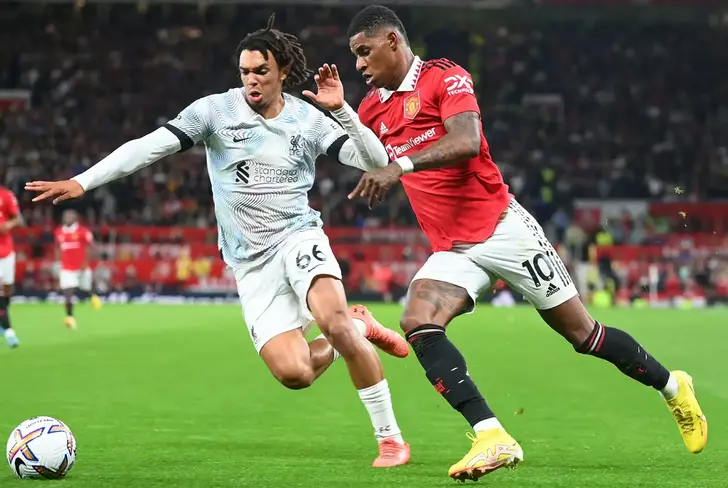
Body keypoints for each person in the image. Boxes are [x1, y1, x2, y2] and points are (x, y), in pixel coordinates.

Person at [26, 15, 411, 467]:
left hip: (298, 236)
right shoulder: (214, 112)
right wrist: (83, 181)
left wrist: (342, 110)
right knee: (296, 374)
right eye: (245, 71)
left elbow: (375, 162)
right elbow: (148, 146)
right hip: (250, 263)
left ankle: (390, 439)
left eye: (261, 71)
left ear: (283, 71)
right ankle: (362, 324)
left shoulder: (307, 119)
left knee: (334, 323)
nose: (252, 80)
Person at [345, 5, 706, 481]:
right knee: (417, 321)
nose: (359, 64)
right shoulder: (371, 107)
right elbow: (368, 160)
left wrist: (401, 166)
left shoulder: (444, 77)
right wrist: (341, 112)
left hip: (503, 229)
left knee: (584, 336)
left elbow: (467, 140)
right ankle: (492, 435)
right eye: (355, 56)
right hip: (453, 248)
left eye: (364, 51)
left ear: (392, 40)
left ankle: (673, 386)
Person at [54, 209, 102, 329]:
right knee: (68, 293)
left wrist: (86, 262)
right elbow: (57, 247)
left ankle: (93, 296)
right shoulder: (59, 232)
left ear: (75, 218)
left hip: (82, 267)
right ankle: (70, 317)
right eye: (65, 216)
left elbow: (93, 247)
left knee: (86, 289)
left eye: (70, 216)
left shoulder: (83, 231)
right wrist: (58, 262)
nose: (67, 218)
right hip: (67, 268)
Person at [0, 185, 21, 348]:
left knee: (8, 290)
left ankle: (3, 316)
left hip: (6, 251)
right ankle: (9, 330)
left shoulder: (5, 195)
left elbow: (17, 219)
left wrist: (7, 225)